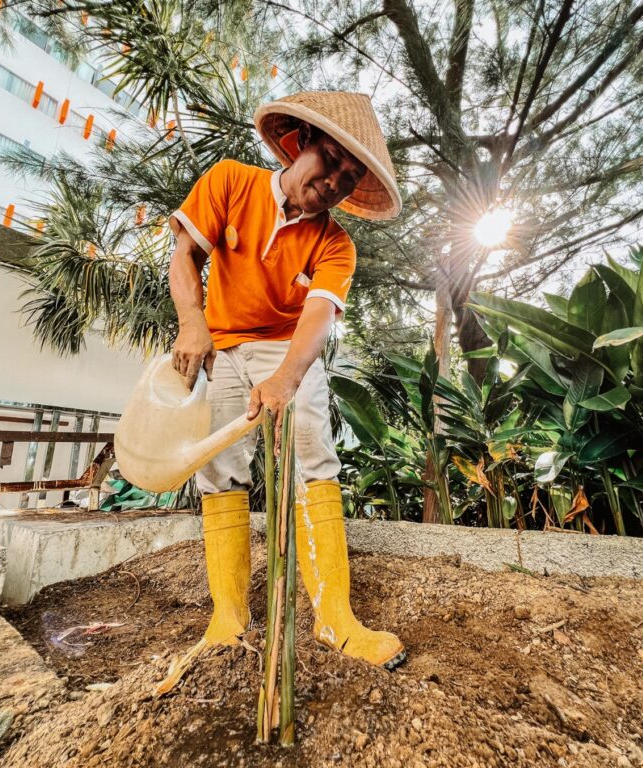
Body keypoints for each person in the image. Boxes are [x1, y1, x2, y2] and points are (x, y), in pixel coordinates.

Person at [157, 91, 404, 694]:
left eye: (350, 179)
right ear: (302, 144)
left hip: (285, 347)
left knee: (313, 456)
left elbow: (318, 315)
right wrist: (192, 323)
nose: (336, 182)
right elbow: (185, 253)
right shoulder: (230, 181)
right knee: (218, 470)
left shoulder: (336, 244)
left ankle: (334, 620)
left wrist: (288, 377)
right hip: (219, 339)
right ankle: (228, 618)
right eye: (332, 162)